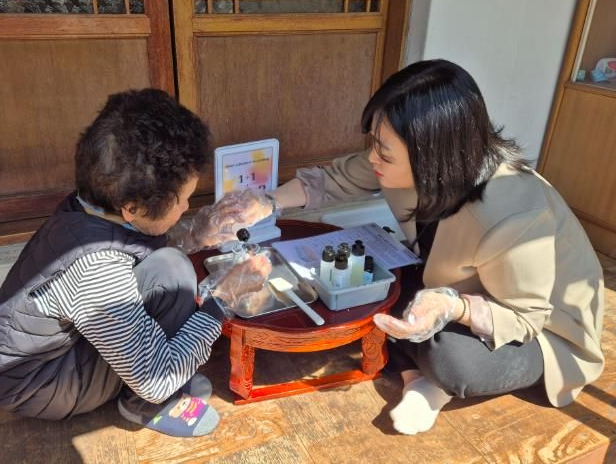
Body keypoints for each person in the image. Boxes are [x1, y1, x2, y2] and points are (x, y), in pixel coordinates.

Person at [258, 59, 603, 435]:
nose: (372, 158)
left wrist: (452, 307)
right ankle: (417, 381)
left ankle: (434, 382)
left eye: (384, 152)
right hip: (447, 286)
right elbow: (337, 178)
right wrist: (266, 202)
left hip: (541, 333)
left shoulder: (515, 213)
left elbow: (525, 318)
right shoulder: (413, 161)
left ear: (432, 154)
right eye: (373, 143)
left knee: (454, 362)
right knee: (366, 282)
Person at [0, 89, 272, 438]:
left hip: (42, 354)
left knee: (170, 266)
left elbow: (140, 248)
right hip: (38, 384)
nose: (186, 208)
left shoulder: (94, 201)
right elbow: (156, 378)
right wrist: (223, 300)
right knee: (175, 275)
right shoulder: (96, 268)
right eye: (183, 200)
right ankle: (144, 406)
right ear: (132, 208)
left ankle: (149, 376)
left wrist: (197, 235)